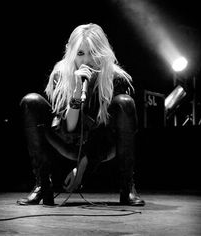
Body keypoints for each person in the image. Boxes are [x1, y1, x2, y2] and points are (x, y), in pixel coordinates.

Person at [17, 23, 145, 206]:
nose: (87, 60)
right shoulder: (61, 74)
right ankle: (42, 185)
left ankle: (127, 188)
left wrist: (82, 167)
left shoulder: (116, 78)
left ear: (102, 53)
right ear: (71, 53)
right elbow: (69, 127)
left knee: (125, 102)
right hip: (69, 140)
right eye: (80, 53)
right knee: (31, 102)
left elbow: (108, 135)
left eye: (93, 52)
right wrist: (77, 91)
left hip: (102, 145)